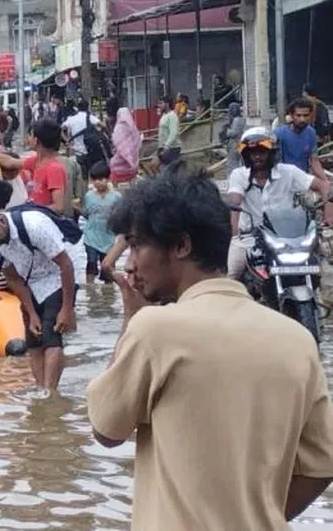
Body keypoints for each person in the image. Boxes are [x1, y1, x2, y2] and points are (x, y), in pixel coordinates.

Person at [86, 164, 333, 529]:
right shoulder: (297, 340)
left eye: (137, 245)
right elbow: (322, 464)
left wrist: (131, 319)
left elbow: (106, 430)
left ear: (182, 245)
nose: (130, 262)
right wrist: (259, 516)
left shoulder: (155, 330)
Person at [0, 202, 77, 392]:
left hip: (55, 278)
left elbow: (66, 265)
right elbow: (13, 279)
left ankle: (50, 396)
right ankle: (40, 390)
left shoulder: (35, 226)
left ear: (0, 221)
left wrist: (66, 308)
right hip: (30, 283)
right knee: (34, 343)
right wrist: (32, 313)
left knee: (52, 339)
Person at [225, 127, 329, 279]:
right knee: (232, 275)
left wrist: (328, 203)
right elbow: (236, 200)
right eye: (253, 153)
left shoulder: (289, 172)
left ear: (272, 153)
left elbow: (322, 185)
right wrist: (234, 234)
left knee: (313, 269)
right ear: (246, 155)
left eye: (262, 152)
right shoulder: (239, 175)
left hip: (287, 238)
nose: (257, 156)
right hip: (250, 237)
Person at [82, 162, 121, 284]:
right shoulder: (89, 196)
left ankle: (108, 294)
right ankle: (90, 288)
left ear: (108, 178)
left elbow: (119, 216)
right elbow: (86, 213)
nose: (98, 182)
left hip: (108, 237)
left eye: (101, 179)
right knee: (91, 263)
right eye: (95, 180)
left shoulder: (116, 197)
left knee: (107, 268)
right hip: (91, 236)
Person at [277, 98, 325, 180]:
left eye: (305, 115)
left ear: (310, 115)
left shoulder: (311, 133)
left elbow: (314, 161)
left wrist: (325, 181)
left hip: (303, 181)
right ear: (292, 115)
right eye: (298, 115)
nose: (302, 119)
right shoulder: (279, 134)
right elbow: (276, 163)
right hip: (284, 181)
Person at [109, 107, 141, 184]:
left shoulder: (119, 127)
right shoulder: (133, 127)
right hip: (133, 165)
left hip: (120, 163)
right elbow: (138, 141)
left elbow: (116, 141)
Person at [156, 95, 182, 166]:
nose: (159, 105)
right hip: (163, 147)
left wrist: (166, 147)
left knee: (168, 170)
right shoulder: (164, 115)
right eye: (159, 103)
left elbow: (173, 133)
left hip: (172, 148)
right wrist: (160, 147)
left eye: (161, 103)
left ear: (167, 104)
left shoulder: (172, 116)